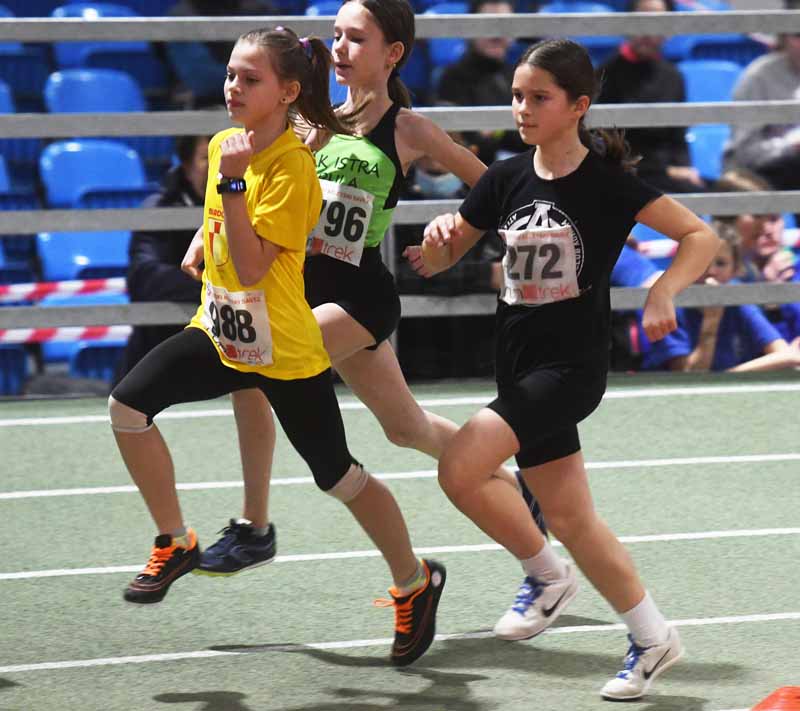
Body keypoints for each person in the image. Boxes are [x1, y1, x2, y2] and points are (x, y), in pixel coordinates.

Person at [110, 25, 445, 668]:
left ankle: (414, 580)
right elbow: (222, 230)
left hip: (284, 348)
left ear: (288, 92)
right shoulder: (224, 145)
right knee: (127, 407)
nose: (233, 87)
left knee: (339, 477)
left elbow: (255, 264)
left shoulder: (293, 169)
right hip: (221, 330)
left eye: (250, 78)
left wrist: (234, 185)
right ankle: (175, 540)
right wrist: (202, 238)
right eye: (230, 75)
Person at [408, 38, 721, 700]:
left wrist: (663, 291)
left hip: (570, 369)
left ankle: (545, 575)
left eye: (538, 98)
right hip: (517, 364)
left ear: (578, 106)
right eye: (517, 96)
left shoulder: (607, 185)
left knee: (460, 466)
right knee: (575, 519)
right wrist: (437, 241)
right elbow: (443, 257)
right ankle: (653, 636)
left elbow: (701, 236)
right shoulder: (503, 179)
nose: (522, 108)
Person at [642, 221, 800, 372]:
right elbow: (691, 377)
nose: (711, 271)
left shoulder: (737, 300)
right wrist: (712, 320)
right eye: (701, 262)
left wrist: (729, 375)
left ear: (735, 269)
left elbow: (786, 354)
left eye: (721, 263)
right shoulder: (669, 308)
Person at [596, 0, 706, 194]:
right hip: (622, 175)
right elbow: (602, 145)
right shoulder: (604, 75)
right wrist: (665, 170)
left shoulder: (674, 77)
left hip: (667, 176)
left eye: (656, 22)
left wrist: (684, 168)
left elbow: (678, 137)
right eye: (642, 20)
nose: (647, 32)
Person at [435, 0, 526, 165]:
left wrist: (496, 132)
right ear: (471, 29)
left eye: (504, 24)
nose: (497, 35)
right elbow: (466, 144)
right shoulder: (453, 78)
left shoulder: (518, 74)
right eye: (488, 24)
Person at [724, 29, 800, 200]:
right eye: (798, 35)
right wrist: (791, 145)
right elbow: (744, 154)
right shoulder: (758, 77)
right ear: (784, 38)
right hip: (761, 171)